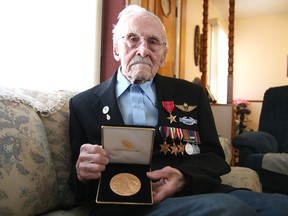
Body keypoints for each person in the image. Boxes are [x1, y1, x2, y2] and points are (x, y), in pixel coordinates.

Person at [68, 4, 288, 216]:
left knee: (281, 206)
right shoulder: (83, 105)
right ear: (116, 48)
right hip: (125, 206)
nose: (142, 50)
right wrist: (81, 173)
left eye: (152, 42)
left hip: (193, 192)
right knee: (229, 209)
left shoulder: (191, 95)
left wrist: (183, 176)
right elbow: (77, 190)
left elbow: (215, 157)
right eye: (132, 39)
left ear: (162, 54)